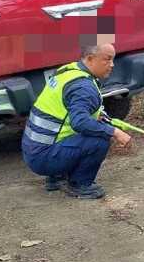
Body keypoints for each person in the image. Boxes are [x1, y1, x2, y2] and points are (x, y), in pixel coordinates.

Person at [22, 42, 132, 199]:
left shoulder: (69, 70)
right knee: (99, 140)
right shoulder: (83, 87)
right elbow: (80, 122)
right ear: (90, 58)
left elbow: (67, 112)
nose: (112, 65)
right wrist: (114, 132)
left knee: (93, 129)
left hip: (34, 151)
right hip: (43, 157)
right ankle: (80, 184)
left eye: (113, 59)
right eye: (107, 59)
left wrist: (97, 116)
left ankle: (56, 177)